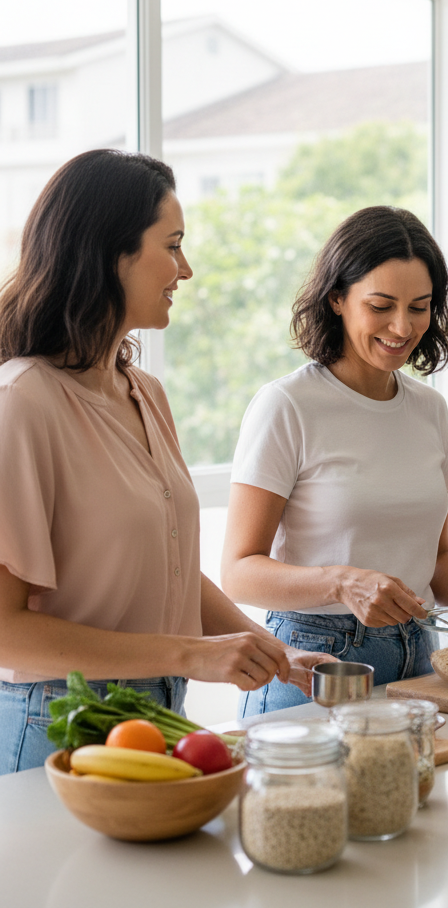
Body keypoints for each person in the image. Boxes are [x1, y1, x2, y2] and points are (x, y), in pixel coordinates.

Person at [0, 150, 333, 774]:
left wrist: (273, 653)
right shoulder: (22, 401)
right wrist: (189, 655)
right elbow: (5, 631)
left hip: (155, 713)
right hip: (57, 724)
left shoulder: (144, 392)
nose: (186, 269)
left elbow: (171, 570)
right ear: (109, 253)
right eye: (172, 245)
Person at [220, 205, 448, 717]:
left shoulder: (430, 409)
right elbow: (238, 571)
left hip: (419, 654)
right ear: (337, 299)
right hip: (316, 659)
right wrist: (341, 582)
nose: (402, 326)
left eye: (419, 307)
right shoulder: (287, 405)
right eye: (381, 305)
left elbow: (436, 559)